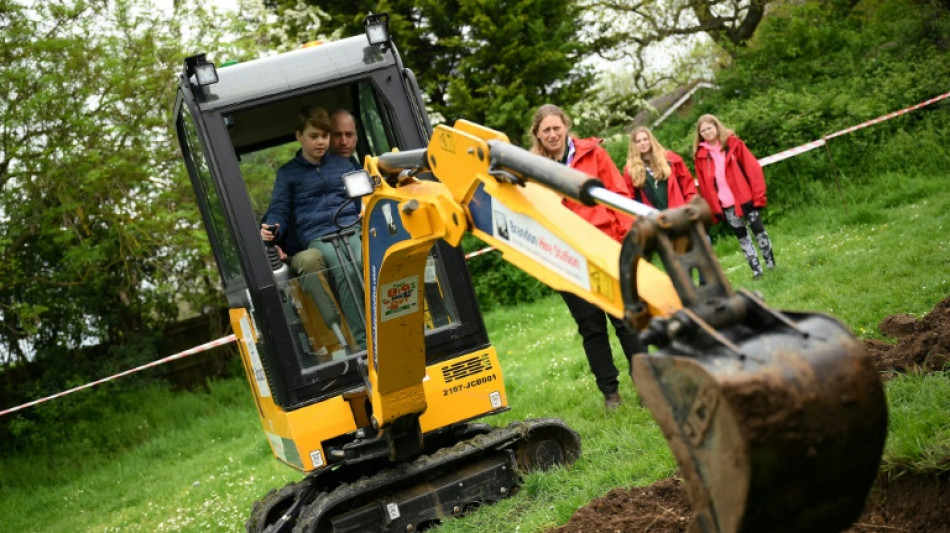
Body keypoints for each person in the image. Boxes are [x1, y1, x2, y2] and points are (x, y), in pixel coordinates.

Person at [529, 104, 642, 410]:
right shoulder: (530, 168)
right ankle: (611, 394)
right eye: (546, 130)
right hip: (566, 259)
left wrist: (624, 244)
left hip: (605, 248)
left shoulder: (594, 154)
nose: (552, 134)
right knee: (591, 327)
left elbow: (618, 196)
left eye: (556, 128)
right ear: (537, 135)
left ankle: (646, 385)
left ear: (566, 126)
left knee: (625, 320)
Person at [262, 105, 366, 349]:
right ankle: (361, 344)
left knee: (366, 259)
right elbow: (279, 210)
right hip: (320, 236)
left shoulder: (344, 165)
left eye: (324, 136)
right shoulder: (288, 174)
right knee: (345, 269)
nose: (321, 142)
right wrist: (272, 229)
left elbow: (363, 199)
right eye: (314, 136)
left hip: (352, 228)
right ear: (299, 136)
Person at [692, 114, 775, 278]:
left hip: (746, 199)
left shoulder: (734, 144)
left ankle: (772, 266)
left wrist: (758, 196)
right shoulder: (700, 157)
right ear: (700, 135)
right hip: (726, 205)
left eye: (709, 128)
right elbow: (704, 186)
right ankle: (757, 271)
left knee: (759, 232)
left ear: (716, 127)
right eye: (703, 131)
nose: (707, 132)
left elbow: (753, 170)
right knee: (743, 238)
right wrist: (713, 210)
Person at [623, 126, 697, 210]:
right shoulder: (630, 170)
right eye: (638, 141)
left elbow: (688, 185)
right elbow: (629, 199)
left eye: (645, 139)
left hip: (679, 213)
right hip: (653, 218)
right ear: (634, 145)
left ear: (651, 140)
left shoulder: (671, 159)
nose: (643, 143)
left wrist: (689, 206)